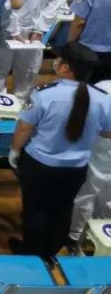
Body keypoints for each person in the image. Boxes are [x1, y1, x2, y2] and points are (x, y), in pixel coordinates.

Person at [10, 42, 111, 258]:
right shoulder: (102, 98)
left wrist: (14, 150)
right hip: (76, 168)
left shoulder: (44, 94)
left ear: (65, 67)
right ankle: (50, 253)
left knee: (35, 209)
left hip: (39, 164)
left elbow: (24, 127)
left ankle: (31, 254)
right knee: (62, 210)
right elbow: (107, 132)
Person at [68, 75, 111, 248]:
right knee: (104, 197)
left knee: (87, 192)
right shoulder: (103, 87)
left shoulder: (103, 87)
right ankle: (101, 234)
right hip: (99, 144)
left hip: (98, 145)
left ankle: (76, 234)